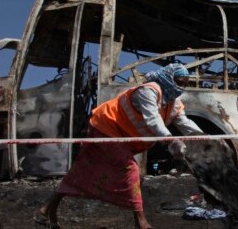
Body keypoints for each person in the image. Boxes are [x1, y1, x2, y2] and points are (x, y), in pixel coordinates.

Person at [38, 63, 204, 229]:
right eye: (179, 81)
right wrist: (170, 140)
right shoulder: (149, 91)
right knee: (130, 169)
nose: (181, 86)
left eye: (185, 83)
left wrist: (204, 138)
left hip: (122, 136)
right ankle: (141, 222)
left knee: (81, 170)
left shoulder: (173, 102)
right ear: (168, 78)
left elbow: (184, 122)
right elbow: (153, 120)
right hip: (106, 128)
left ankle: (46, 210)